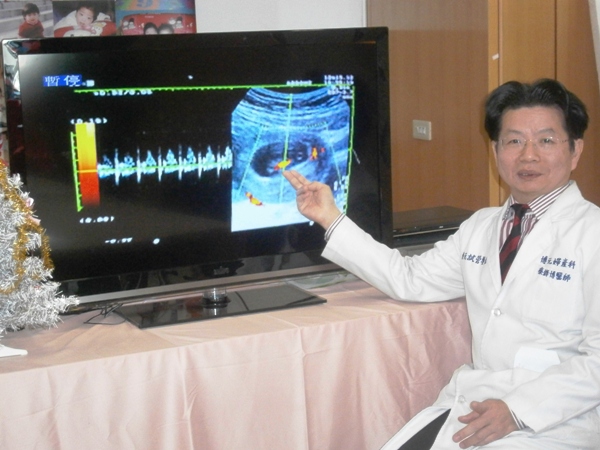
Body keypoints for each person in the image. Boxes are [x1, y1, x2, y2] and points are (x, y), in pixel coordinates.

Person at [283, 78, 600, 449]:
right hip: (477, 403)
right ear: (495, 150)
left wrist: (517, 410)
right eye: (514, 141)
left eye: (546, 140)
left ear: (575, 151)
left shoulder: (592, 234)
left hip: (557, 420)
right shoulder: (481, 227)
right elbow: (409, 278)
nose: (528, 155)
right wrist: (330, 217)